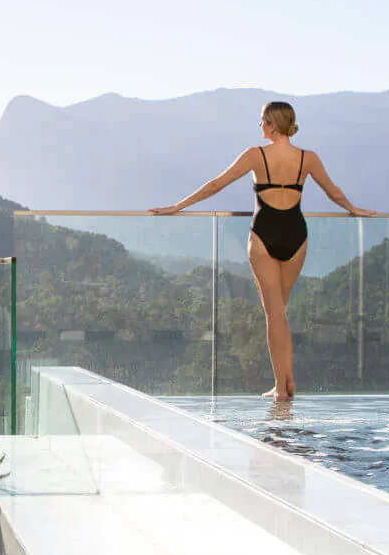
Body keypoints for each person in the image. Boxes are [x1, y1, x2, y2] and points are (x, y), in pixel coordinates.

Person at [150, 100, 373, 398]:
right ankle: (288, 379)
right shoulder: (308, 158)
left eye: (262, 121)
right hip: (296, 235)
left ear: (271, 123)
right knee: (281, 311)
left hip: (264, 234)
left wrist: (178, 206)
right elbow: (333, 192)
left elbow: (217, 184)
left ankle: (280, 387)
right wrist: (353, 209)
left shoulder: (256, 155)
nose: (260, 126)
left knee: (274, 314)